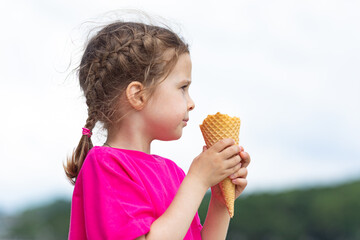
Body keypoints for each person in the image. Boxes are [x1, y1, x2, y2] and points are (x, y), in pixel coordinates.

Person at [64, 20, 251, 240]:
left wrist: (219, 202)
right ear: (138, 95)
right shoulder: (106, 164)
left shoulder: (174, 173)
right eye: (182, 88)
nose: (191, 103)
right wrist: (198, 180)